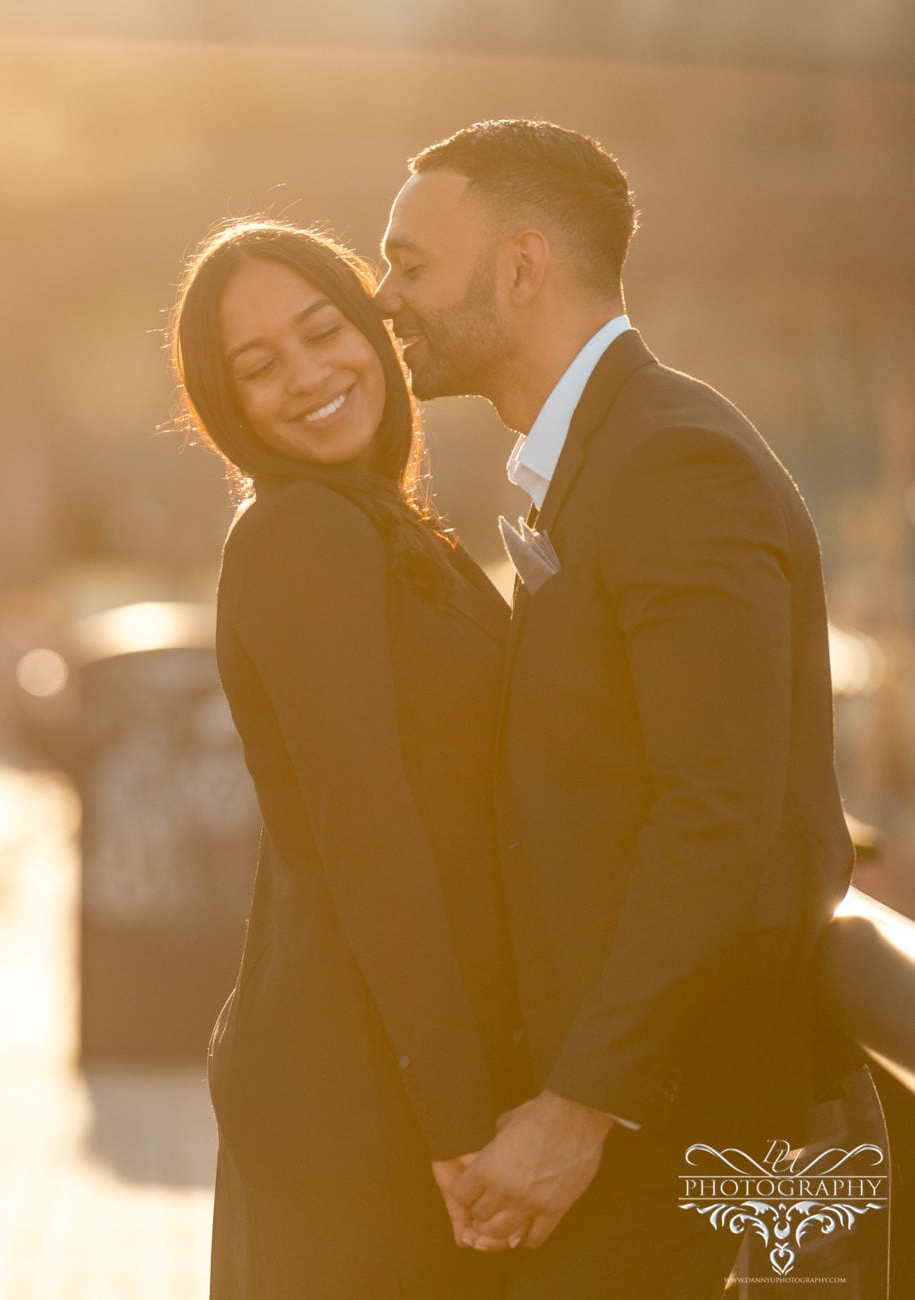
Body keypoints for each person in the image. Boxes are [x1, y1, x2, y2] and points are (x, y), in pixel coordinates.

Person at [374, 120, 856, 1297]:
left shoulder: (673, 463)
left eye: (412, 263)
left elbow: (716, 812)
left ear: (523, 267)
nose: (384, 296)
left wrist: (580, 1110)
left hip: (662, 1131)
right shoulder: (590, 452)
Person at [173, 220, 527, 1297]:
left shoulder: (389, 526)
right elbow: (369, 834)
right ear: (226, 404)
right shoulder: (301, 536)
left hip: (391, 1073)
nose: (308, 375)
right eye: (259, 365)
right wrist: (459, 1122)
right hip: (364, 1099)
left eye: (324, 331)